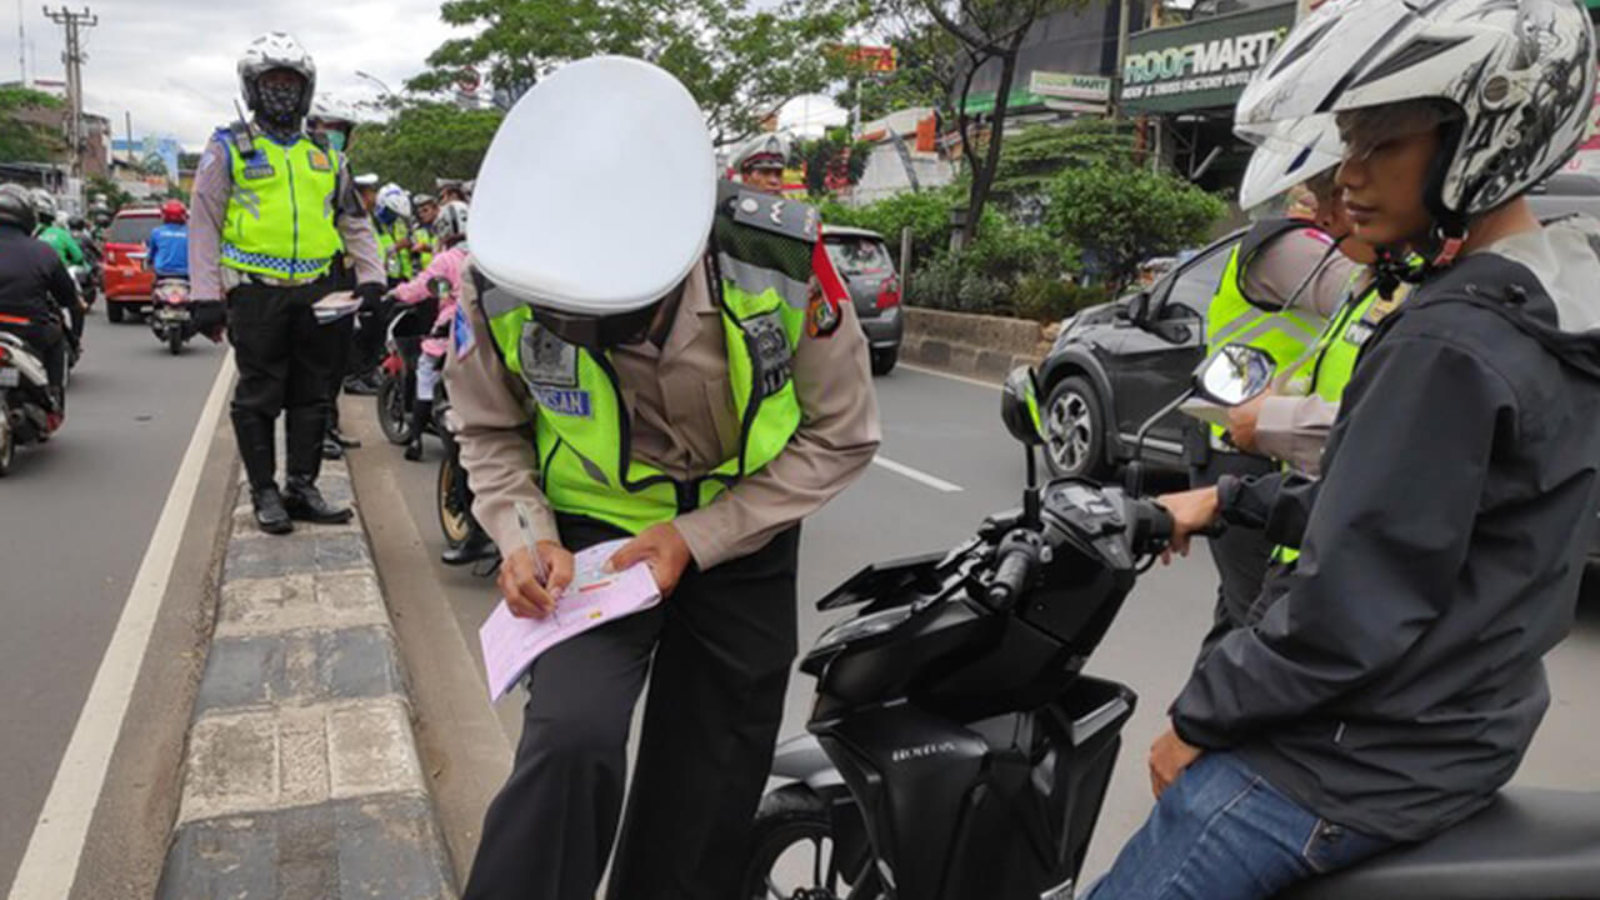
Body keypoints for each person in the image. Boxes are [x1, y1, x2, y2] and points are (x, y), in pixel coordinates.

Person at [1088, 2, 1600, 898]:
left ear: (1483, 139)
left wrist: (1198, 720)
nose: (1347, 177)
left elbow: (1349, 603)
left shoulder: (1448, 342)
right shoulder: (1550, 304)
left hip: (1356, 759)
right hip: (1462, 729)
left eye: (1382, 145)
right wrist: (1231, 502)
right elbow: (1429, 521)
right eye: (1349, 143)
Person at [445, 56, 880, 900]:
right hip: (590, 550)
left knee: (711, 775)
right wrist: (524, 537)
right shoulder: (499, 279)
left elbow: (844, 433)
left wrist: (697, 537)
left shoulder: (776, 258)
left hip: (737, 536)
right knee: (570, 738)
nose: (593, 333)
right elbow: (490, 430)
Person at [188, 31, 386, 535]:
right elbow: (204, 221)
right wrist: (204, 295)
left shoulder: (325, 155)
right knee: (259, 395)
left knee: (314, 392)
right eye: (271, 82)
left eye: (291, 82)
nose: (282, 92)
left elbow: (354, 222)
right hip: (257, 293)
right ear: (252, 88)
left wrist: (371, 279)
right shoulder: (228, 147)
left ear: (306, 89)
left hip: (319, 293)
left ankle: (302, 485)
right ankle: (264, 492)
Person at [1187, 173, 1355, 655]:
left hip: (1265, 449)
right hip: (1250, 451)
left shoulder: (1291, 243)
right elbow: (1366, 295)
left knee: (1235, 623)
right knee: (1258, 636)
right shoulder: (1292, 249)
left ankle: (1196, 723)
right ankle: (1213, 722)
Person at [307, 100, 365, 458]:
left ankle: (330, 424)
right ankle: (317, 432)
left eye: (341, 130)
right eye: (329, 127)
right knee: (316, 362)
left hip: (343, 278)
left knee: (337, 358)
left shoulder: (339, 169)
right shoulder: (301, 171)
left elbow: (356, 225)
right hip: (314, 278)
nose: (335, 135)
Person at [0, 184, 78, 412]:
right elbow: (66, 297)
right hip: (29, 329)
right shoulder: (43, 251)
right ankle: (53, 395)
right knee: (57, 338)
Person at [374, 182, 415, 284]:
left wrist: (411, 242)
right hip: (384, 279)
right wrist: (394, 247)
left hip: (407, 277)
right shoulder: (374, 226)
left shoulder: (400, 223)